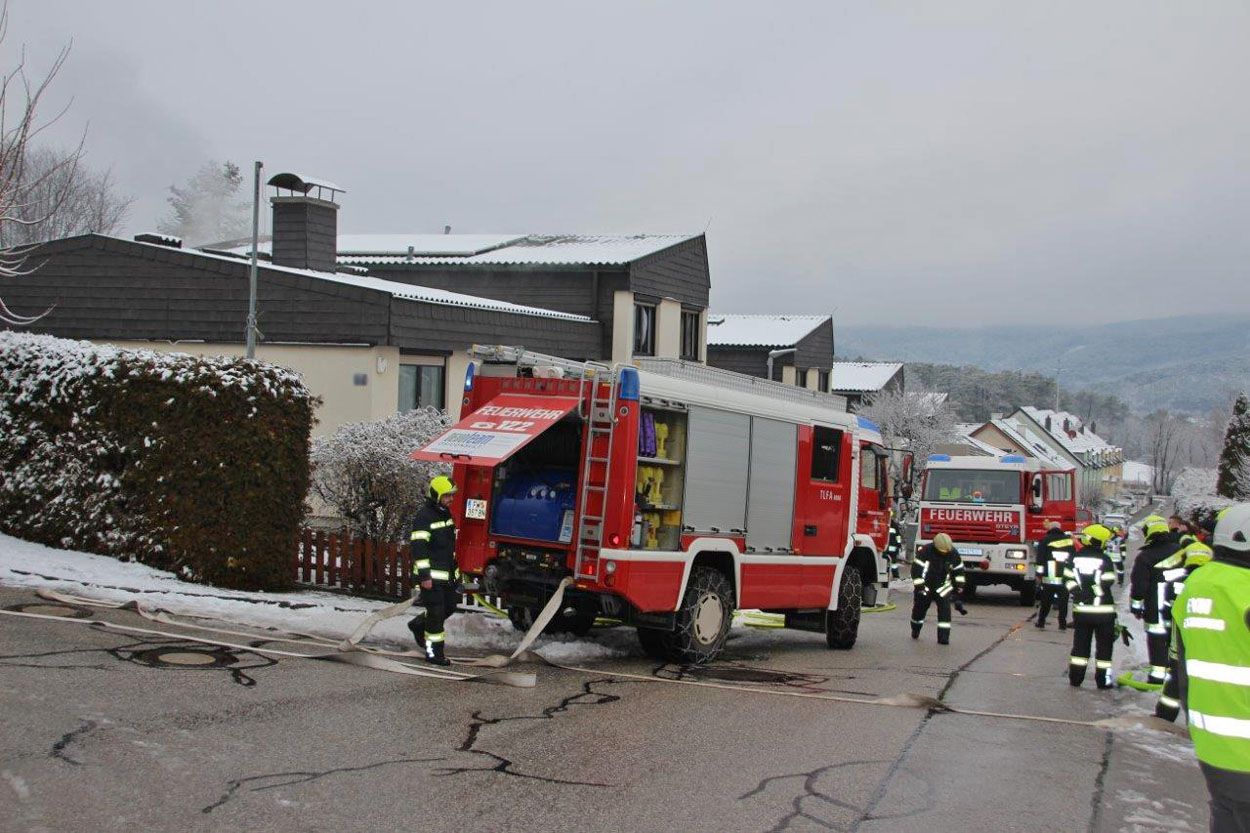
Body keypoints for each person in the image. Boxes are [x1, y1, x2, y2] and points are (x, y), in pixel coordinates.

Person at [1156, 503, 1250, 831]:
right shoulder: (1244, 591)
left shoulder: (1197, 585)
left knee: (1225, 818)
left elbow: (1179, 662)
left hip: (1215, 748)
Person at [408, 474, 461, 666]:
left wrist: (455, 574)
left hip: (446, 576)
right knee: (436, 615)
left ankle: (418, 625)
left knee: (449, 607)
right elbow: (418, 548)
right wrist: (424, 576)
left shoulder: (444, 513)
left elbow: (448, 547)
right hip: (430, 577)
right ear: (436, 495)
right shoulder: (424, 517)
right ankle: (433, 654)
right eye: (447, 495)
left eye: (451, 495)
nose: (450, 499)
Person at [1065, 523, 1118, 689]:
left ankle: (1075, 678)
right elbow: (1108, 580)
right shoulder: (1105, 559)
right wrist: (1094, 591)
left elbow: (1067, 578)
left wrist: (1079, 593)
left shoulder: (1074, 558)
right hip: (1104, 612)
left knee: (1080, 647)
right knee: (1104, 650)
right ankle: (1103, 681)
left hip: (1082, 612)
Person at [1130, 519, 1180, 685]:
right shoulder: (1182, 552)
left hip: (1155, 610)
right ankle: (1176, 677)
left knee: (1157, 644)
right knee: (1178, 645)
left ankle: (1157, 678)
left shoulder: (1145, 557)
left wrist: (1136, 607)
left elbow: (1139, 586)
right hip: (1179, 609)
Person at [910, 532, 966, 645]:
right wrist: (920, 587)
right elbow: (916, 570)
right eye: (941, 552)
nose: (944, 554)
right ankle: (916, 628)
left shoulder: (953, 553)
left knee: (945, 612)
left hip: (942, 587)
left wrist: (959, 587)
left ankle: (943, 638)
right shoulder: (925, 551)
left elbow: (959, 571)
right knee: (919, 610)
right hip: (925, 586)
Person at [1034, 521, 1074, 630]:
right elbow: (1072, 559)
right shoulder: (1068, 541)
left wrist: (1039, 574)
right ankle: (1062, 624)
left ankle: (1041, 621)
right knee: (1063, 603)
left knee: (1046, 602)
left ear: (1050, 529)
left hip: (1049, 578)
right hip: (1064, 577)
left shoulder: (1045, 540)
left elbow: (1040, 559)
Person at [885, 511, 904, 580]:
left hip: (886, 548)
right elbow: (898, 536)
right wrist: (899, 545)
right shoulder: (894, 525)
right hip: (893, 548)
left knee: (886, 562)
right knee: (893, 563)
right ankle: (895, 576)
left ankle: (886, 575)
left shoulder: (884, 523)